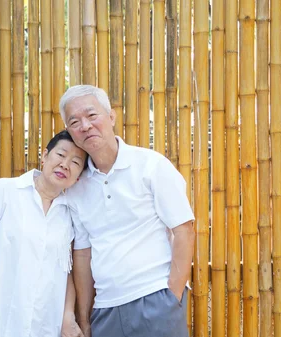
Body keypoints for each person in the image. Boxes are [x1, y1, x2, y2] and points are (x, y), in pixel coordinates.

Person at [61, 85, 196, 337]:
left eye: (92, 115)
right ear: (69, 131)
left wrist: (172, 296)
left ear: (111, 116)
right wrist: (85, 317)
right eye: (75, 121)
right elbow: (83, 255)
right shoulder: (76, 188)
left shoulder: (151, 165)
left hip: (155, 301)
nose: (85, 126)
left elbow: (183, 230)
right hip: (105, 309)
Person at [0, 130, 87, 337]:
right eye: (61, 155)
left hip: (45, 325)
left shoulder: (71, 215)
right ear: (44, 156)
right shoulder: (3, 192)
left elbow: (67, 269)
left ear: (79, 177)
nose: (65, 164)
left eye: (75, 162)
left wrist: (67, 315)